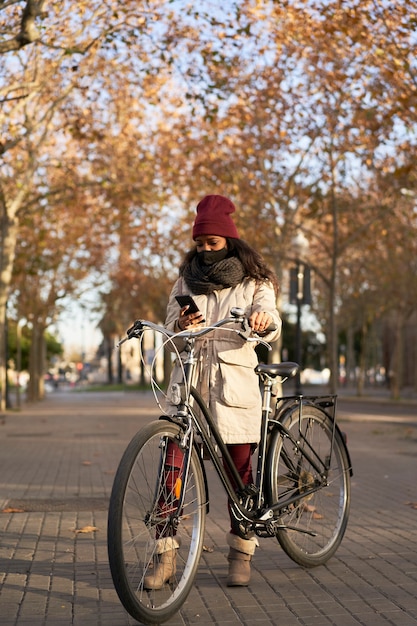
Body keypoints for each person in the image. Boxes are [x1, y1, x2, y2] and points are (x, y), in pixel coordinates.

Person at [144, 194, 281, 590]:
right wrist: (182, 328)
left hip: (232, 391)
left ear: (229, 241)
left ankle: (241, 552)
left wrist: (260, 320)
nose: (204, 250)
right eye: (200, 244)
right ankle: (165, 556)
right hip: (187, 391)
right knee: (171, 471)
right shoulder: (185, 280)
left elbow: (272, 321)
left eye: (212, 243)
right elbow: (171, 332)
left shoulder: (256, 281)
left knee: (239, 476)